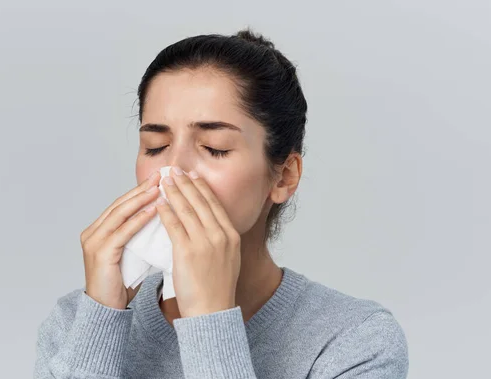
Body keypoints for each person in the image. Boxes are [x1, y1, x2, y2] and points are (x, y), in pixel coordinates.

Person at [33, 28, 409, 379]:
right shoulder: (75, 323)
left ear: (284, 176)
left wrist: (209, 321)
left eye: (215, 148)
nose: (173, 170)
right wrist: (99, 320)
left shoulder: (354, 341)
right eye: (155, 147)